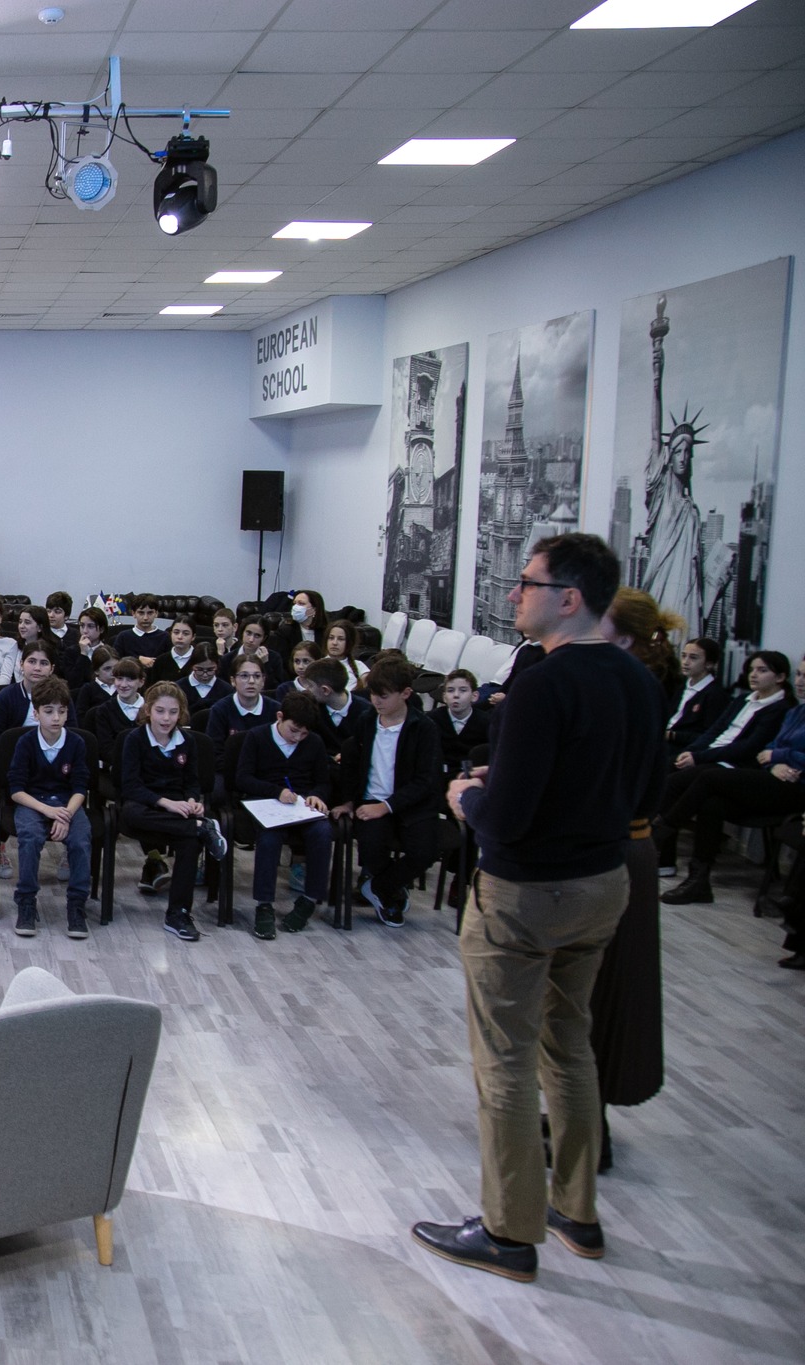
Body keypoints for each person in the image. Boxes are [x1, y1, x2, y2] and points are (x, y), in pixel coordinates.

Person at [416, 533, 663, 1284]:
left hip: (526, 895)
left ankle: (507, 1231)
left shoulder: (542, 683)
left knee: (505, 1061)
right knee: (570, 1043)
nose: (514, 593)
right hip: (602, 884)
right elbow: (643, 793)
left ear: (569, 597)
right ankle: (577, 1213)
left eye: (528, 583)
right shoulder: (636, 678)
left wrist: (467, 797)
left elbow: (507, 820)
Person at [588, 587, 676, 1167]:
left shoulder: (631, 691)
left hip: (617, 852)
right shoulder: (638, 686)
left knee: (601, 994)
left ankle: (588, 1129)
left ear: (621, 636)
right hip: (626, 848)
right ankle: (581, 1115)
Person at [659, 655, 805, 910]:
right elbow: (768, 750)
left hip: (797, 787)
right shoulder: (796, 712)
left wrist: (778, 757)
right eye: (800, 674)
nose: (801, 681)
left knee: (708, 776)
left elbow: (769, 750)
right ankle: (698, 881)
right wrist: (775, 763)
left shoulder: (784, 707)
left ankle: (661, 832)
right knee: (712, 803)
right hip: (776, 776)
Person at [333, 657, 442, 926]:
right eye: (372, 694)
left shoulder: (424, 728)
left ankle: (379, 887)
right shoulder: (366, 720)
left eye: (383, 696)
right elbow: (353, 763)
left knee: (426, 850)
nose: (376, 701)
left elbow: (425, 780)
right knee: (371, 846)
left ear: (406, 693)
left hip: (412, 803)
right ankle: (389, 892)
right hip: (371, 799)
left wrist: (387, 806)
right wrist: (349, 801)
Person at [116, 682, 229, 941]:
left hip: (177, 808)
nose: (166, 718)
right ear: (148, 711)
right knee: (130, 815)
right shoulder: (135, 739)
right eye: (160, 711)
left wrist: (192, 800)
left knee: (190, 842)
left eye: (173, 712)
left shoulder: (187, 741)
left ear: (181, 714)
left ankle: (178, 913)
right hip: (146, 804)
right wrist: (166, 803)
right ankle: (200, 827)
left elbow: (192, 782)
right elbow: (130, 786)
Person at [233, 691, 333, 939]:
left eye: (304, 734)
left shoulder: (315, 743)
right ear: (280, 717)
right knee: (269, 838)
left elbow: (323, 781)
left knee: (323, 832)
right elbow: (243, 778)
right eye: (294, 730)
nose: (297, 738)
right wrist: (275, 791)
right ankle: (264, 904)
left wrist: (316, 795)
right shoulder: (257, 737)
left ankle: (309, 899)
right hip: (268, 805)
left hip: (301, 807)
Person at [4, 676, 93, 937]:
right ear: (36, 713)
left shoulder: (76, 743)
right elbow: (16, 791)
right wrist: (48, 811)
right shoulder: (26, 742)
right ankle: (26, 901)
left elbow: (80, 788)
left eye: (61, 711)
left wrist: (65, 815)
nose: (56, 718)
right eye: (49, 711)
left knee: (81, 841)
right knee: (30, 838)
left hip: (67, 804)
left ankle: (77, 904)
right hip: (33, 802)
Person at [0, 639, 71, 747]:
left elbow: (72, 733)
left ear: (51, 669)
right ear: (21, 664)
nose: (37, 668)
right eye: (32, 661)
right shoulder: (6, 696)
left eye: (44, 663)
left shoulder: (60, 694)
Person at [665, 635, 726, 750]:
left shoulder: (714, 695)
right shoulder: (682, 686)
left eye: (693, 658)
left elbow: (709, 735)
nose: (685, 662)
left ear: (709, 664)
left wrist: (673, 735)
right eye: (684, 656)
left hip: (683, 748)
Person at [115, 596, 169, 668]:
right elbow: (116, 661)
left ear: (156, 613)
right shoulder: (123, 637)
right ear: (133, 614)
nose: (145, 618)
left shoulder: (165, 637)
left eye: (150, 613)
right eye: (141, 613)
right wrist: (138, 659)